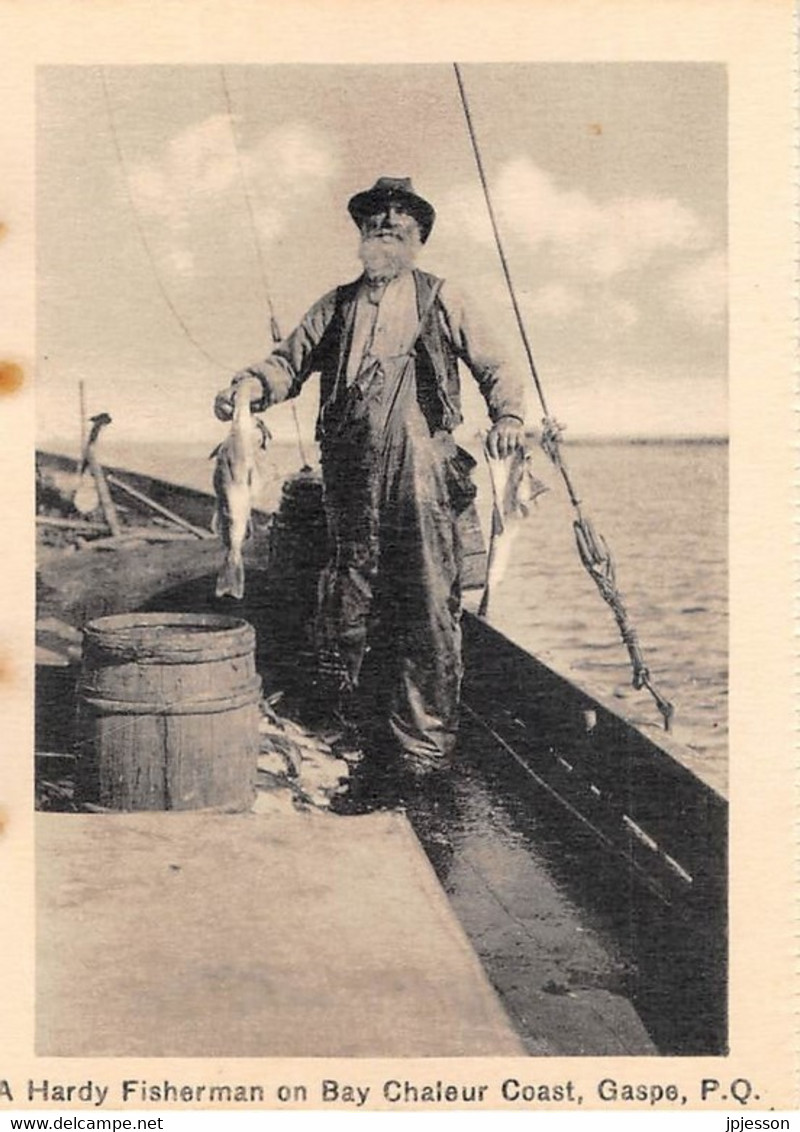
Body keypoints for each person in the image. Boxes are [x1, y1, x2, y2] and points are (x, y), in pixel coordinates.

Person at [215, 176, 525, 806]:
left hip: (422, 480)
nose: (386, 223)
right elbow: (286, 363)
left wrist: (510, 417)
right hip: (352, 482)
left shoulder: (443, 299)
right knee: (348, 606)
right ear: (361, 235)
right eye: (375, 218)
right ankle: (356, 741)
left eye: (401, 218)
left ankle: (424, 755)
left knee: (428, 608)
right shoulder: (335, 306)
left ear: (418, 237)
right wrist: (248, 388)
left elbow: (497, 365)